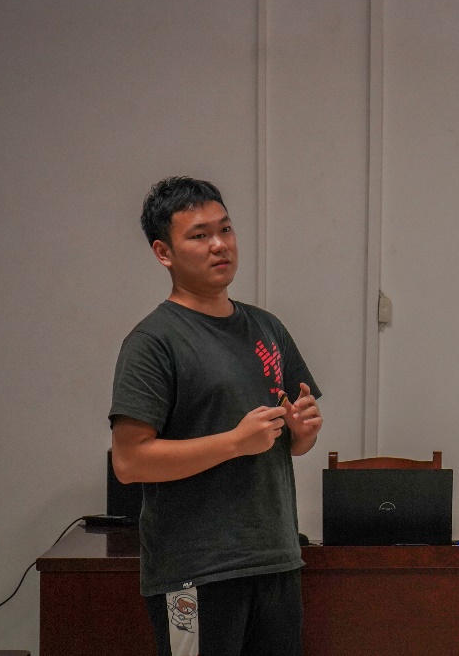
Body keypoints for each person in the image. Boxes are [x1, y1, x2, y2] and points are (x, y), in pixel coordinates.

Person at [109, 176, 323, 656]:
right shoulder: (153, 341)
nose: (220, 245)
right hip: (196, 570)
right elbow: (129, 460)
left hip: (275, 559)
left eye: (225, 229)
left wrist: (303, 430)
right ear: (164, 252)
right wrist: (235, 442)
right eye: (200, 235)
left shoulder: (267, 327)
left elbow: (294, 442)